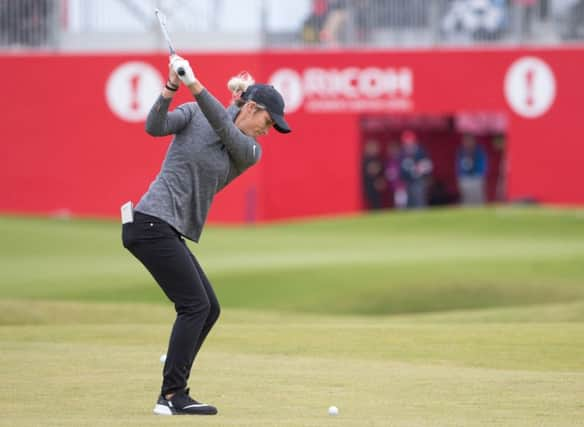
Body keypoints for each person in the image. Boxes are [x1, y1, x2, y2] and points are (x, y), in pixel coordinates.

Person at [121, 56, 291, 416]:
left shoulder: (250, 151)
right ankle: (172, 395)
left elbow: (225, 128)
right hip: (150, 222)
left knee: (209, 308)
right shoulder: (195, 113)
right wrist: (172, 87)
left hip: (166, 229)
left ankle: (174, 377)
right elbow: (155, 127)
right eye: (268, 121)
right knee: (195, 306)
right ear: (253, 107)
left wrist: (196, 85)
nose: (268, 129)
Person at [398, 130, 433, 209]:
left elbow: (428, 165)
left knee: (419, 201)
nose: (408, 143)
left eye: (409, 140)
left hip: (419, 180)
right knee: (410, 202)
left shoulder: (421, 151)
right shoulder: (402, 153)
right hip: (407, 181)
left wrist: (420, 171)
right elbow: (401, 168)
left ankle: (422, 218)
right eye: (406, 141)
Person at [456, 134, 487, 205]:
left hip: (477, 177)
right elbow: (458, 166)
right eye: (466, 141)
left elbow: (483, 164)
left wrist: (481, 174)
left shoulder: (478, 151)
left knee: (478, 197)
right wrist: (460, 176)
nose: (467, 143)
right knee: (466, 197)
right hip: (465, 178)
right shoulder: (461, 152)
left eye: (469, 140)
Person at [361, 139, 386, 209]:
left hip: (377, 185)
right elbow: (369, 171)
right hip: (368, 184)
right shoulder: (365, 159)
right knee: (371, 202)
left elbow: (380, 172)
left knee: (377, 202)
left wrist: (381, 180)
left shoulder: (378, 159)